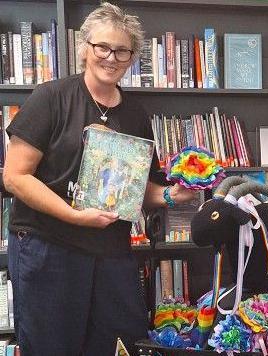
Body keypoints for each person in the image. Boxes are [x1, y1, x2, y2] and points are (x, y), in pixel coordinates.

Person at [3, 3, 196, 355]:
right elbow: (15, 177)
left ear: (133, 56)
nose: (111, 57)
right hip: (48, 247)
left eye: (122, 50)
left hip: (110, 252)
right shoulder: (51, 98)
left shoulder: (136, 114)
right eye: (102, 47)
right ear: (84, 48)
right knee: (50, 347)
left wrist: (171, 196)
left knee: (117, 344)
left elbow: (138, 189)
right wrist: (73, 215)